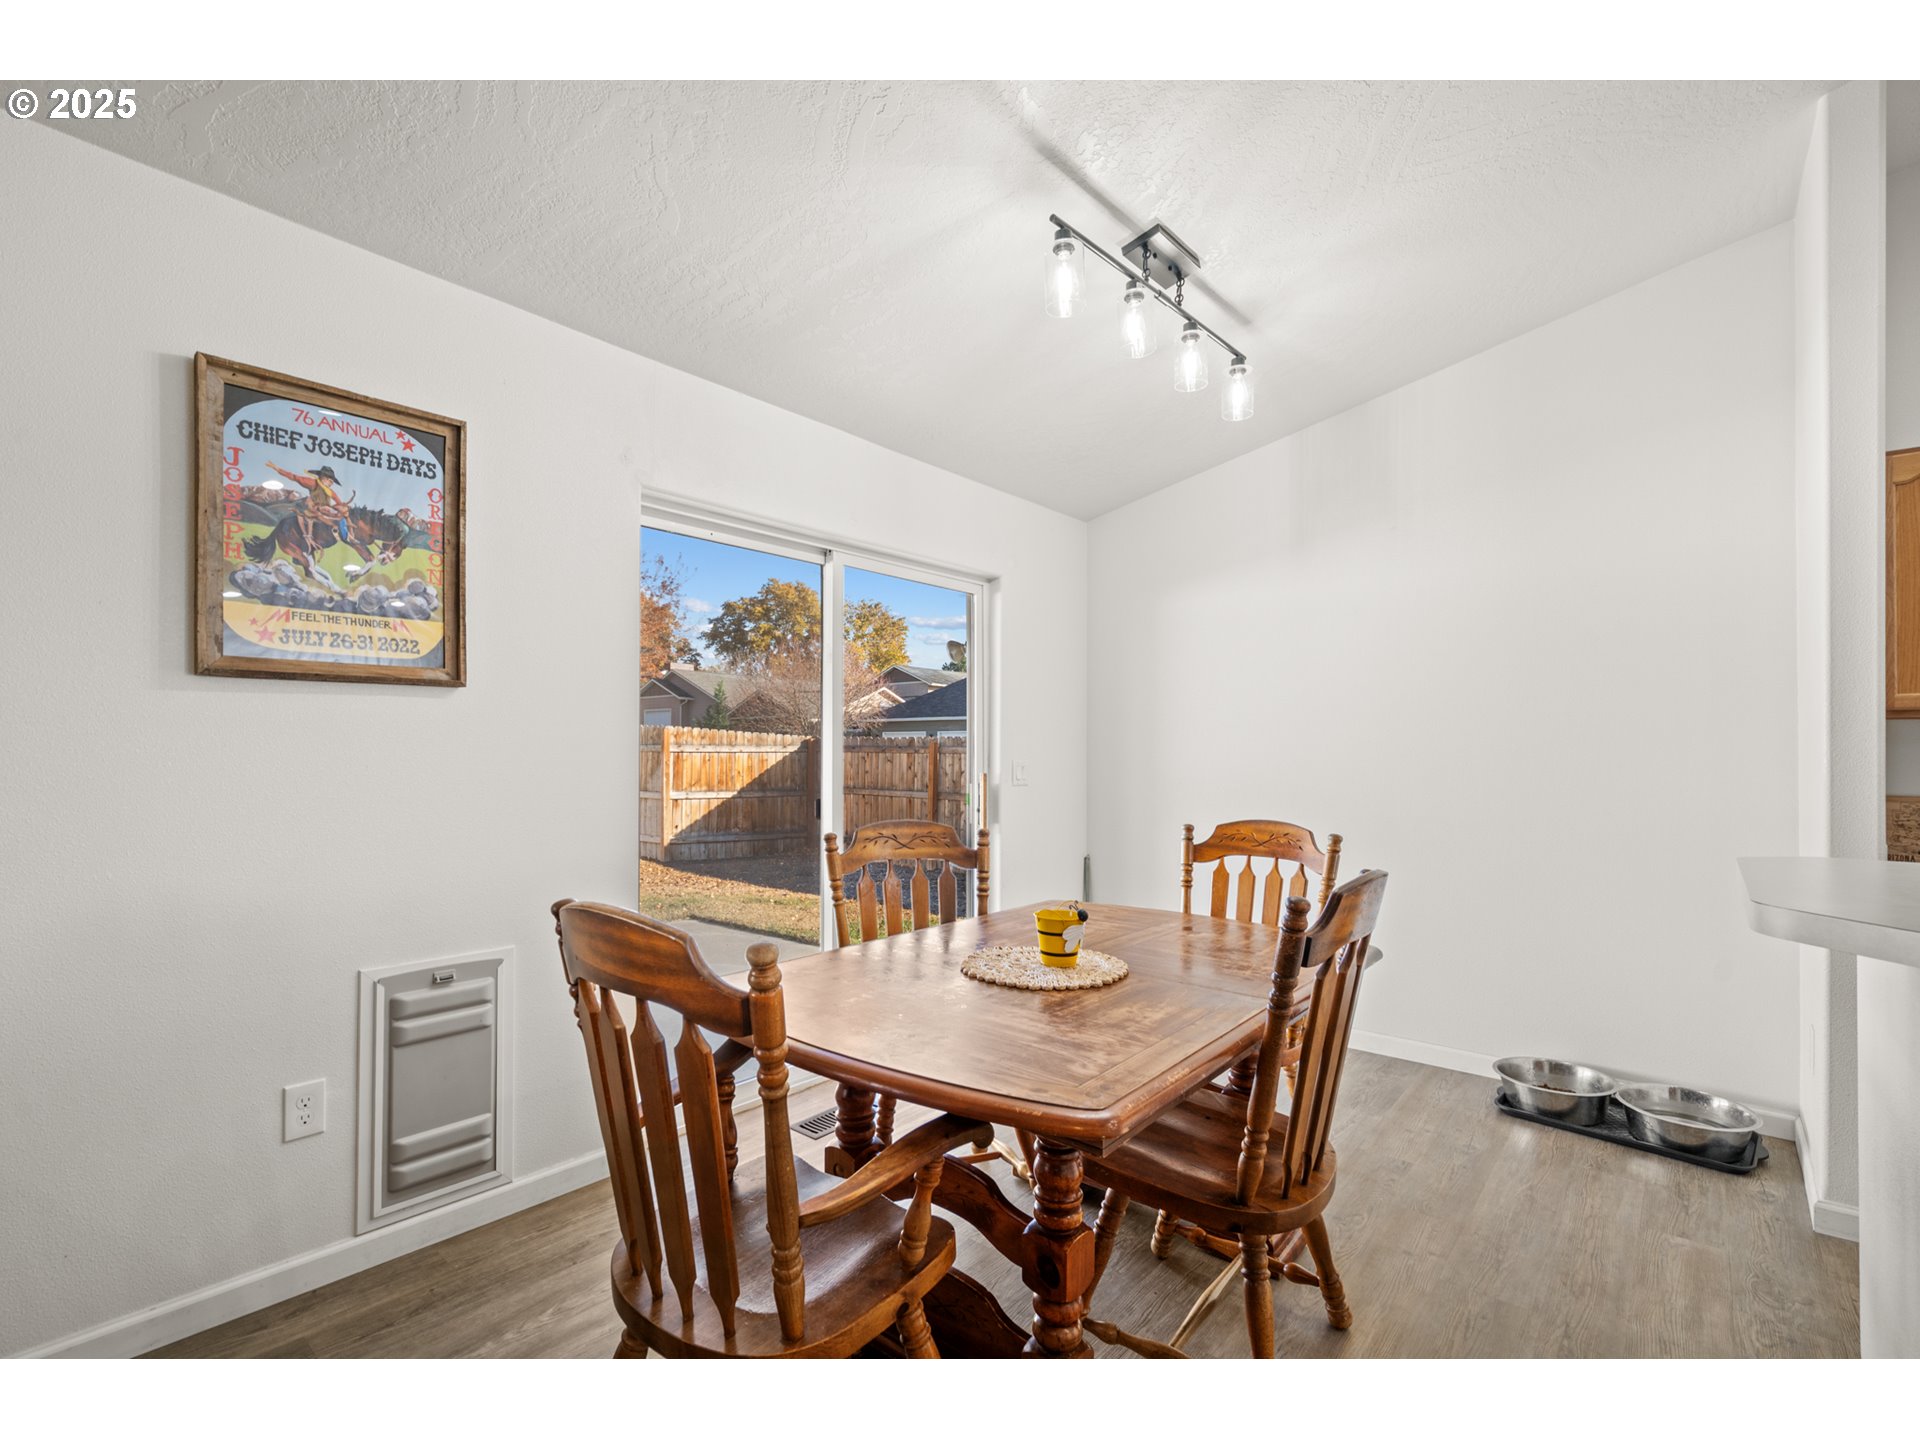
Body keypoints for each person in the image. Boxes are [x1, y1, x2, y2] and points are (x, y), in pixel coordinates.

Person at [266, 461, 351, 553]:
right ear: (323, 478)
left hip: (323, 509)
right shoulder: (312, 483)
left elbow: (338, 502)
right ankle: (307, 537)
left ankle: (344, 534)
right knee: (311, 516)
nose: (331, 484)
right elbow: (294, 477)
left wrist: (343, 508)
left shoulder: (330, 491)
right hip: (311, 508)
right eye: (330, 481)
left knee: (337, 516)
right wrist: (277, 468)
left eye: (332, 482)